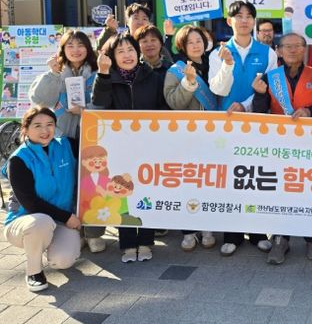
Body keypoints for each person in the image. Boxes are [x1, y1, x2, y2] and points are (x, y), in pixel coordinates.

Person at [251, 32, 312, 265]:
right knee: (281, 192)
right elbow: (260, 112)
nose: (293, 50)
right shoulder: (270, 77)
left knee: (309, 191)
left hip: (311, 145)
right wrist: (259, 94)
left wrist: (310, 112)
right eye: (288, 46)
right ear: (279, 50)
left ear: (304, 49)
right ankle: (280, 239)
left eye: (298, 46)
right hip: (280, 146)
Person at [208, 0, 277, 257]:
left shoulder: (267, 53)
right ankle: (232, 235)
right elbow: (218, 89)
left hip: (256, 124)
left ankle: (257, 233)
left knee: (254, 177)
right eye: (239, 16)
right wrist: (227, 65)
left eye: (249, 16)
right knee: (231, 179)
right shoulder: (218, 52)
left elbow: (268, 87)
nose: (244, 20)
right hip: (226, 125)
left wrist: (245, 106)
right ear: (229, 21)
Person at [28, 29, 106, 254]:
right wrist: (52, 74)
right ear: (63, 49)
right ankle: (74, 231)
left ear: (87, 48)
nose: (75, 50)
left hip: (91, 135)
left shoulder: (97, 71)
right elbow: (39, 99)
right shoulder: (58, 71)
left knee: (93, 183)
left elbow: (105, 103)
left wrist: (84, 111)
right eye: (70, 45)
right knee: (67, 183)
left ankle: (94, 233)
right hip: (61, 137)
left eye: (80, 45)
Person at [92, 33, 168, 262]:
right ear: (113, 56)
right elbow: (99, 103)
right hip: (119, 147)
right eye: (121, 51)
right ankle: (127, 243)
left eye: (131, 50)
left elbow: (163, 108)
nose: (127, 55)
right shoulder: (107, 77)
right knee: (121, 192)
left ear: (138, 52)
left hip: (148, 146)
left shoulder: (152, 77)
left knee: (146, 192)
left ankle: (145, 241)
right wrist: (103, 74)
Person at [1, 107, 81, 292]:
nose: (45, 130)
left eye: (49, 124)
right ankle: (34, 272)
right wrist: (68, 217)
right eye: (37, 125)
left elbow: (97, 150)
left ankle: (45, 244)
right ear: (25, 129)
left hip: (59, 221)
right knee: (41, 222)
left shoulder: (66, 145)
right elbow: (30, 203)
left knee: (63, 261)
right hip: (25, 221)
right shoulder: (18, 160)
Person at [164, 25, 217, 251]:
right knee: (187, 183)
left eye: (199, 40)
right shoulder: (175, 71)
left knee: (210, 182)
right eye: (190, 42)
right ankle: (188, 230)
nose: (196, 45)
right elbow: (174, 103)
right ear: (182, 46)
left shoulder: (214, 65)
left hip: (214, 137)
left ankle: (207, 227)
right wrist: (188, 83)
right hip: (186, 138)